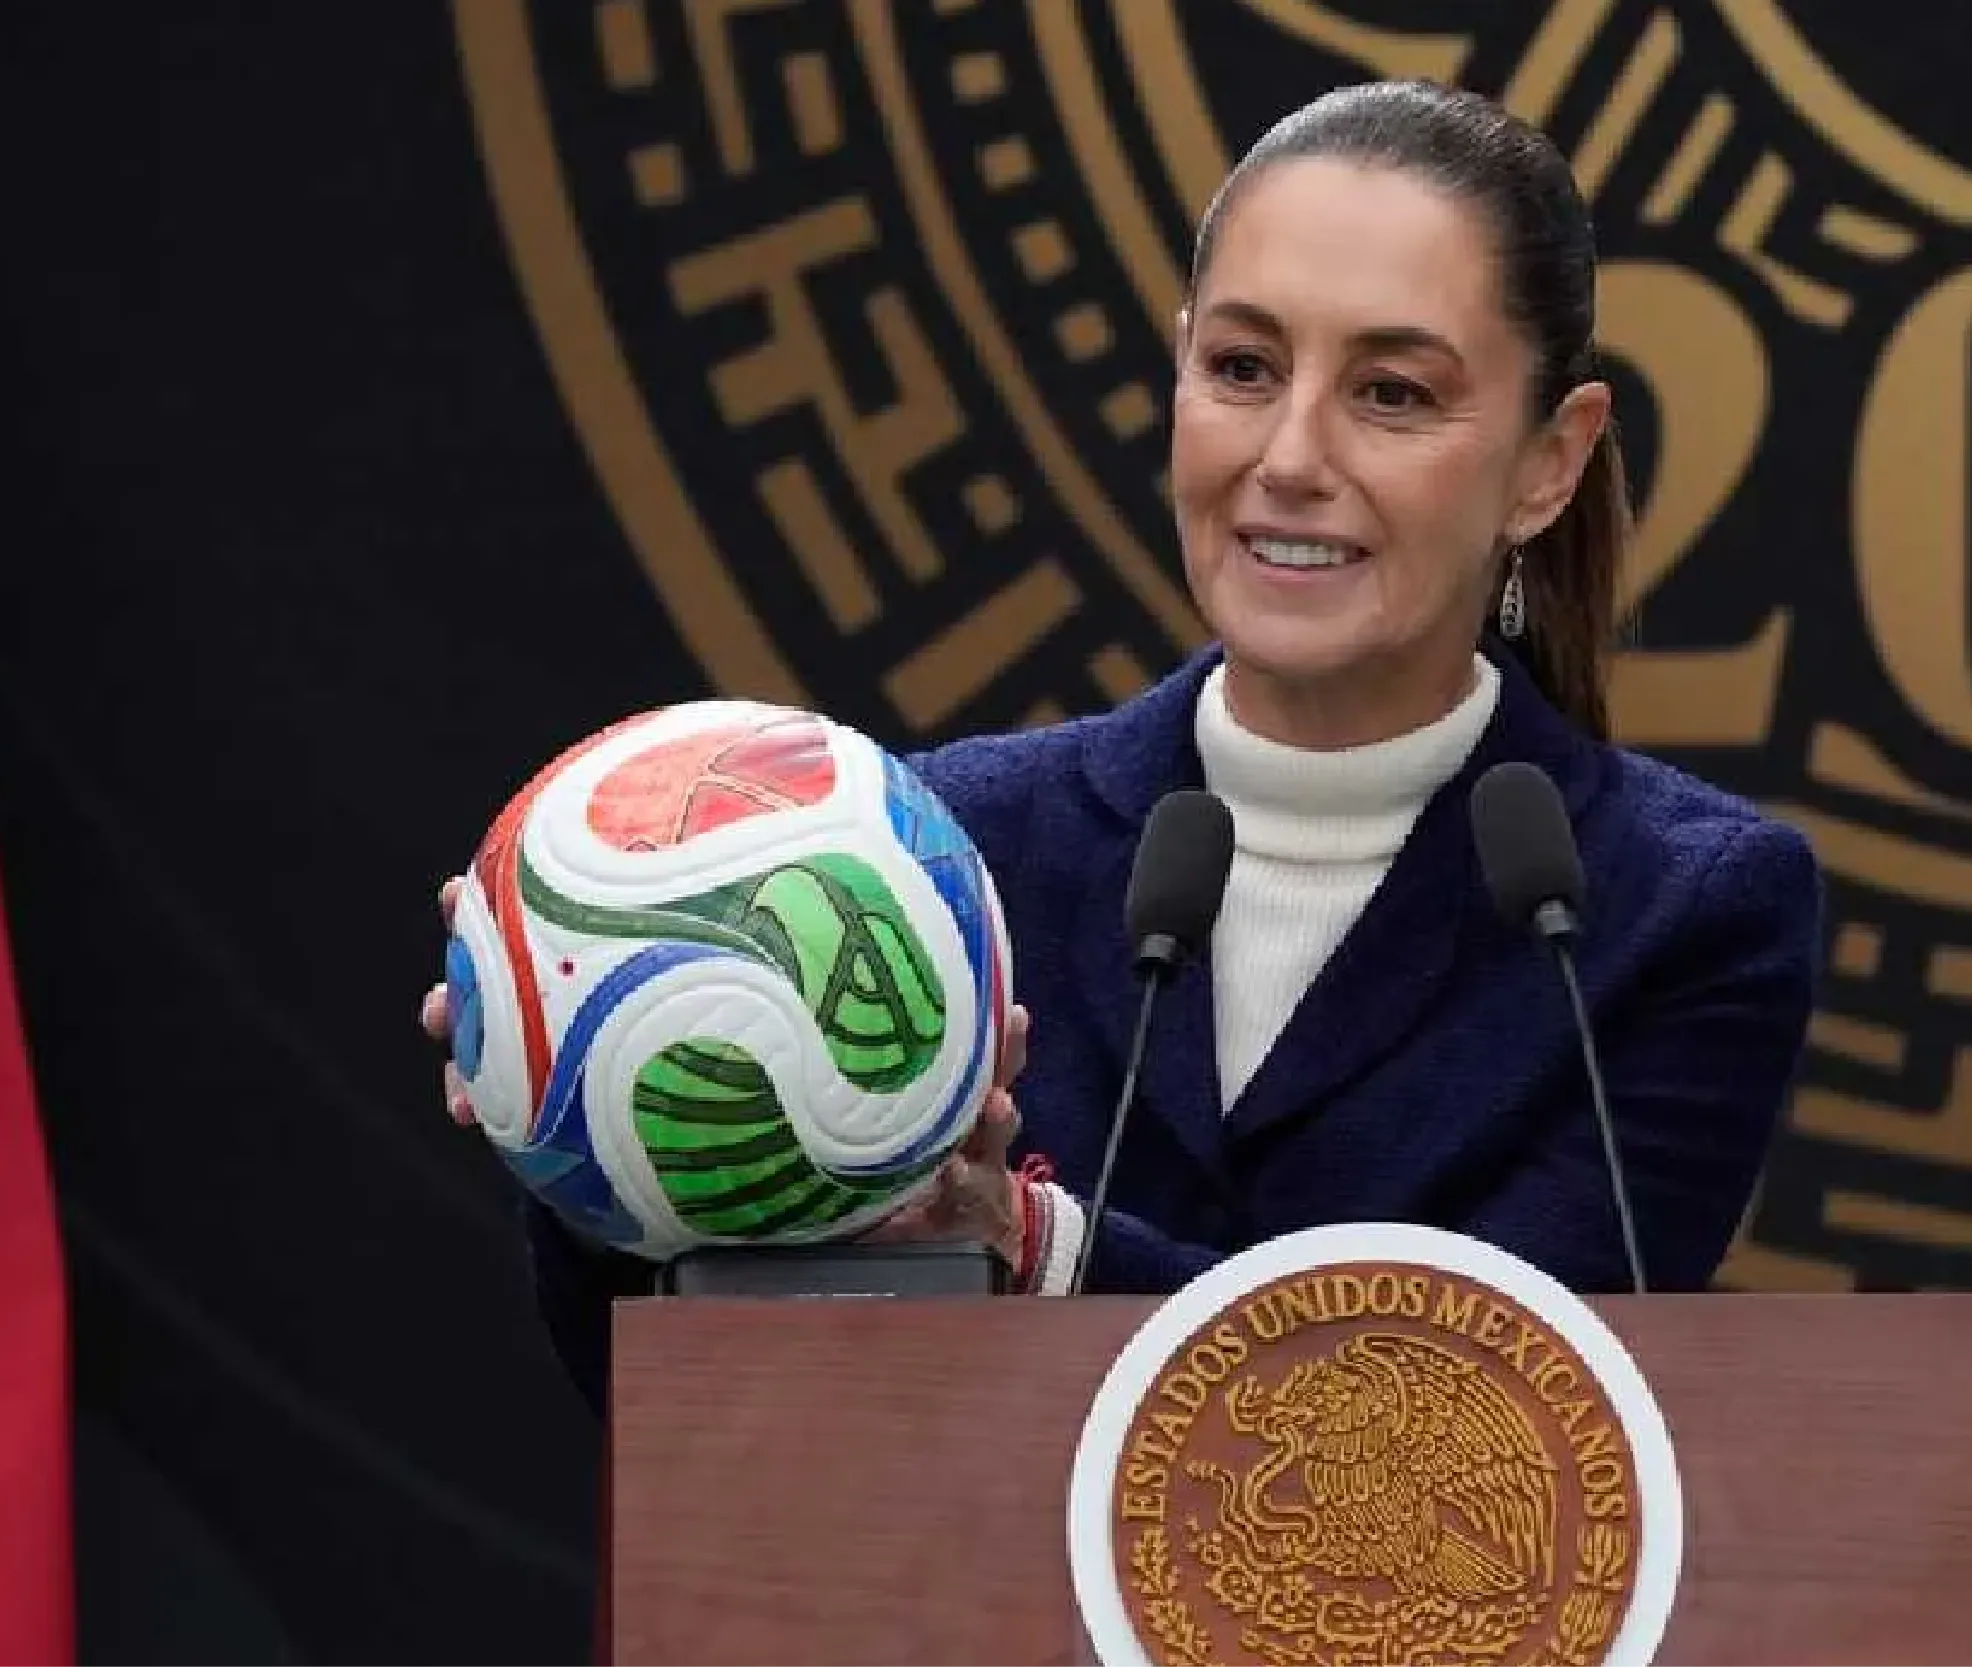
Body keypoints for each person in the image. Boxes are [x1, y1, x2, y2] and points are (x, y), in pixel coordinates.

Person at [420, 80, 1823, 1415]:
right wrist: (593, 1111)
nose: (1288, 453)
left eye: (1392, 393)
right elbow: (701, 1421)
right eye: (1242, 366)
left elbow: (1495, 1424)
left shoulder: (1676, 911)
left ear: (1549, 458)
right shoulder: (935, 856)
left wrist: (1039, 1248)